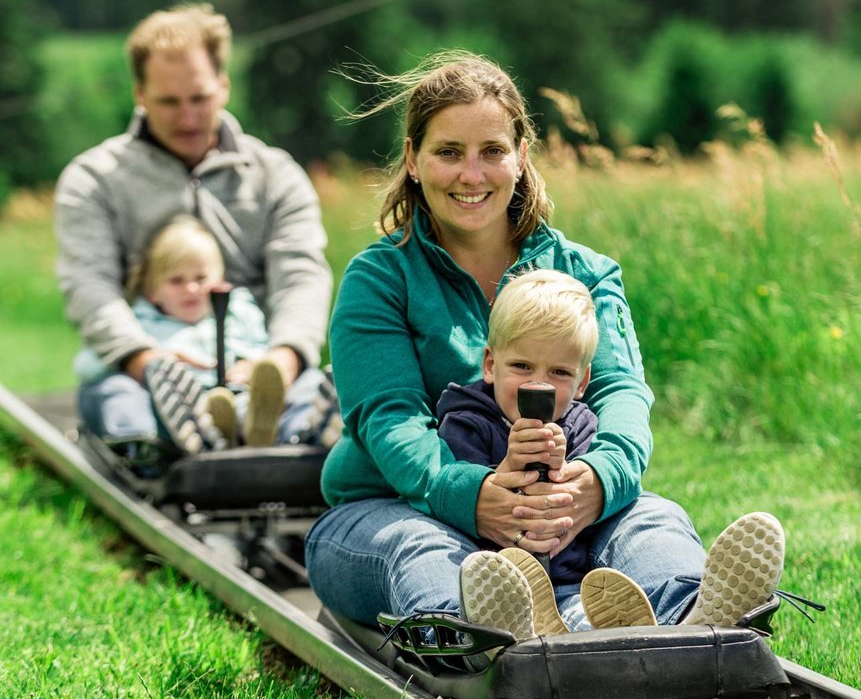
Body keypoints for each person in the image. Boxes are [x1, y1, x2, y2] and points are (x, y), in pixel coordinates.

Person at [305, 52, 787, 644]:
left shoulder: (585, 271)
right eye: (448, 152)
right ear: (413, 158)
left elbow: (620, 392)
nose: (471, 174)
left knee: (652, 520)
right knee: (425, 551)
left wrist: (594, 481)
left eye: (492, 151)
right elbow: (391, 421)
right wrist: (472, 495)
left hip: (563, 508)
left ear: (521, 156)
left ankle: (694, 625)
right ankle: (485, 640)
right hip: (398, 507)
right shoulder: (379, 278)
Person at [55, 3, 333, 448]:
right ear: (140, 94)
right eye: (168, 102)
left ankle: (307, 431)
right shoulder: (93, 180)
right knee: (118, 402)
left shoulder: (275, 176)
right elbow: (90, 286)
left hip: (256, 365)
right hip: (144, 370)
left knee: (303, 394)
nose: (187, 118)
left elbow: (301, 276)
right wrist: (150, 363)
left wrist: (280, 361)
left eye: (199, 99)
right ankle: (161, 443)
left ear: (223, 86)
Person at [435, 269, 656, 635]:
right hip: (497, 582)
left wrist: (565, 469)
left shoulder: (581, 424)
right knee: (498, 598)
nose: (538, 383)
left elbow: (585, 496)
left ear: (582, 382)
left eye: (558, 372)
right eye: (522, 366)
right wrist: (507, 466)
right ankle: (526, 632)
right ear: (491, 365)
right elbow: (463, 498)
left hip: (570, 580)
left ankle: (631, 631)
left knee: (583, 612)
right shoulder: (466, 422)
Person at [71, 215, 337, 452]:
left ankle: (307, 434)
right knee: (117, 391)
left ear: (220, 280)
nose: (191, 289)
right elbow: (89, 365)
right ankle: (153, 447)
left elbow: (261, 345)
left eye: (200, 278)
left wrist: (256, 367)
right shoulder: (141, 324)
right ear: (153, 291)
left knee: (307, 381)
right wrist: (151, 363)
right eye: (177, 281)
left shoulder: (239, 313)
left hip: (243, 397)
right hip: (175, 412)